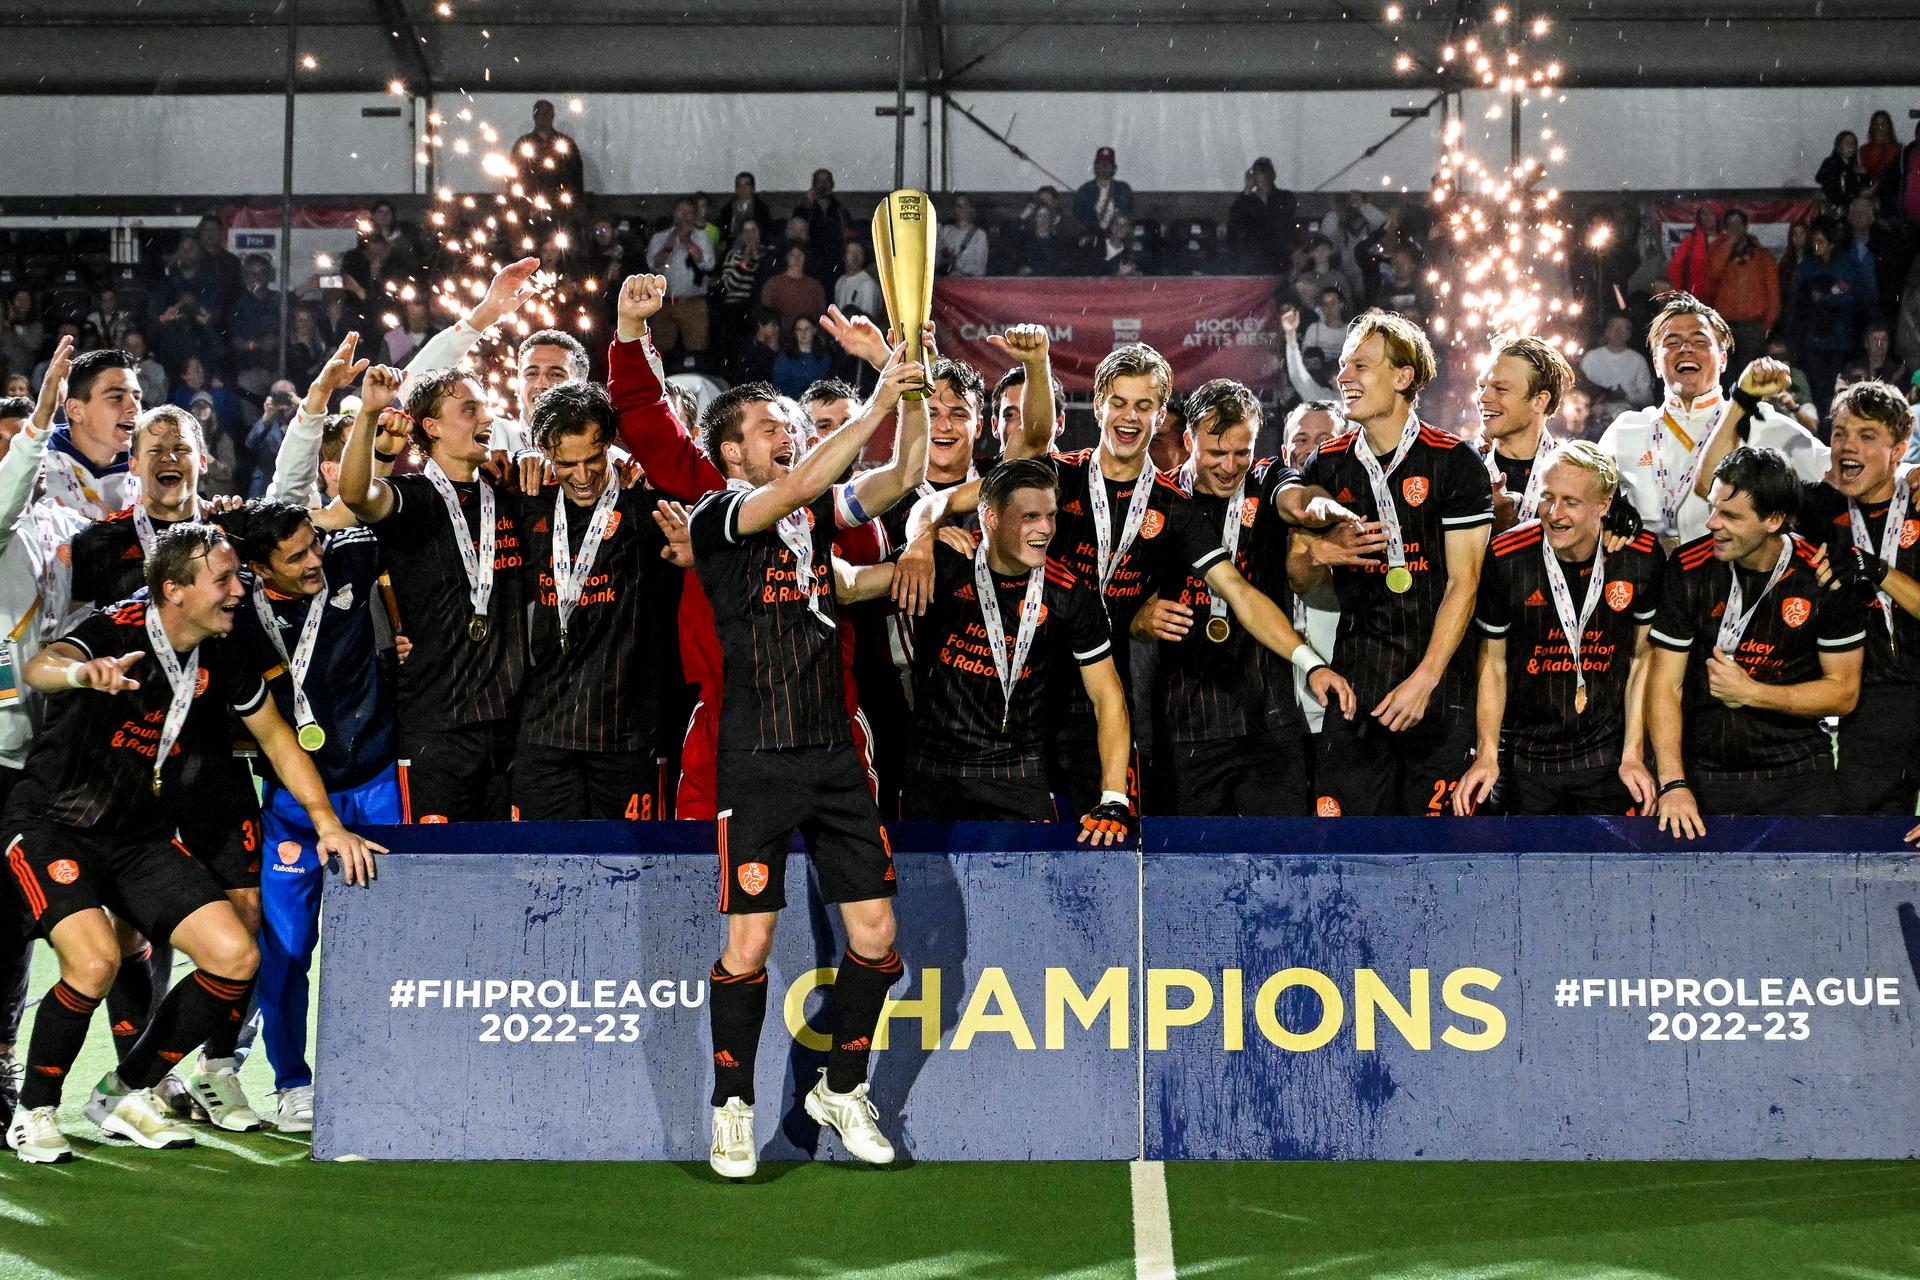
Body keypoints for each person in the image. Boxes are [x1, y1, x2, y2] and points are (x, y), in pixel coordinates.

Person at [3, 524, 382, 1164]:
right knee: (94, 961)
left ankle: (124, 1091)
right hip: (52, 824)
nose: (239, 590)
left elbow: (278, 739)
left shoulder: (223, 651)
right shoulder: (115, 628)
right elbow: (41, 665)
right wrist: (81, 673)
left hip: (138, 837)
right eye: (224, 579)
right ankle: (35, 1111)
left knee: (235, 955)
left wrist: (327, 823)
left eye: (239, 576)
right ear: (174, 590)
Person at [687, 335, 927, 1179]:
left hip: (833, 756)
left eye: (790, 424)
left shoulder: (813, 516)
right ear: (730, 452)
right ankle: (731, 1107)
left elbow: (901, 475)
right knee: (749, 944)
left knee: (878, 937)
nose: (785, 433)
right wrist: (878, 398)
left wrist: (911, 392)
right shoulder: (716, 516)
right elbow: (796, 484)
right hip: (756, 759)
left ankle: (841, 1086)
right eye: (767, 426)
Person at [218, 499, 396, 1134]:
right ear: (260, 568)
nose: (314, 561)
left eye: (313, 544)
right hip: (293, 801)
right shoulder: (236, 611)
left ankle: (390, 1071)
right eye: (295, 557)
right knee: (288, 949)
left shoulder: (349, 559)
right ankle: (292, 1083)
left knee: (391, 939)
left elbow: (367, 498)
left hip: (377, 787)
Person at [1293, 311, 1494, 817]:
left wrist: (1425, 680)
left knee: (1435, 851)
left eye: (1360, 365)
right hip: (1355, 689)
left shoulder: (1454, 461)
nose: (1343, 376)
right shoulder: (1326, 464)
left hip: (1439, 690)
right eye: (1344, 365)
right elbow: (1299, 579)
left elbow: (1464, 583)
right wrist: (1316, 554)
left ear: (1403, 377)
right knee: (1344, 848)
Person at [1133, 381, 1356, 815]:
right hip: (1186, 724)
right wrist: (1140, 618)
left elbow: (1297, 499)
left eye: (1242, 452)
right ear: (1188, 441)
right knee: (1191, 856)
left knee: (1281, 853)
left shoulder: (1266, 478)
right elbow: (1121, 600)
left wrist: (1319, 508)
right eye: (1217, 453)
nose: (1230, 466)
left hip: (1269, 721)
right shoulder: (1158, 499)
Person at [340, 366, 527, 823]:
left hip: (512, 727)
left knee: (513, 863)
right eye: (469, 410)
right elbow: (356, 494)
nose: (485, 417)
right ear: (432, 426)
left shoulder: (510, 495)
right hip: (437, 728)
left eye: (484, 407)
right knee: (438, 864)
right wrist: (368, 414)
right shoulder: (413, 498)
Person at [904, 456, 1134, 826]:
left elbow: (1108, 695)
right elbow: (853, 588)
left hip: (1015, 769)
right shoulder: (947, 563)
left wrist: (1113, 798)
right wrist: (917, 544)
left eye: (1051, 515)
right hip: (933, 769)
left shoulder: (1067, 592)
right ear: (991, 517)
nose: (1046, 528)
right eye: (1030, 517)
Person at [1648, 446, 1864, 835]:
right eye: (1713, 508)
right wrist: (1673, 783)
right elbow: (1665, 684)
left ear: (1774, 519)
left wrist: (1753, 693)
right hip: (1705, 774)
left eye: (1731, 516)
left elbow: (1843, 693)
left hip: (1798, 770)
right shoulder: (1688, 568)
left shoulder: (1821, 575)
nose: (1712, 523)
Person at [1454, 442, 1662, 816]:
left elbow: (1643, 658)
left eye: (1571, 502)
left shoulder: (1640, 556)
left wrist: (1633, 754)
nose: (1554, 513)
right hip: (1524, 757)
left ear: (1604, 504)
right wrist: (1487, 754)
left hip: (1606, 756)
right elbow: (1493, 663)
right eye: (1547, 497)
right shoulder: (1507, 556)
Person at [0, 343, 89, 1129]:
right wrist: (39, 420)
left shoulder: (58, 525)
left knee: (14, 922)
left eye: (22, 444)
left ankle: (2, 1063)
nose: (17, 460)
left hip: (39, 757)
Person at [515, 382, 671, 820]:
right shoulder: (530, 500)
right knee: (541, 860)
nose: (582, 476)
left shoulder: (643, 502)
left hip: (627, 734)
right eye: (566, 463)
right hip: (544, 729)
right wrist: (517, 458)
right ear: (545, 453)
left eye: (593, 459)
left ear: (611, 445)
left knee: (633, 862)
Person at [1774, 379, 1920, 816]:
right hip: (1869, 702)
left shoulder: (1917, 502)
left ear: (1900, 448)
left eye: (1866, 435)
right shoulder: (1819, 507)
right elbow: (1721, 487)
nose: (1847, 445)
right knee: (1868, 834)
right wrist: (1741, 402)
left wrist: (1874, 569)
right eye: (1840, 433)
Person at [1598, 293, 1827, 547]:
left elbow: (1835, 474)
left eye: (1700, 341)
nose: (1686, 348)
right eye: (1672, 342)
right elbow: (1580, 491)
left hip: (1726, 567)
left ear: (1723, 360)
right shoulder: (1626, 429)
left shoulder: (1761, 423)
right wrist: (1611, 508)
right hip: (1645, 567)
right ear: (1656, 365)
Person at [69, 406, 215, 610]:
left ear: (202, 463)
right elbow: (75, 617)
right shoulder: (98, 541)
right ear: (133, 465)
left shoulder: (228, 532)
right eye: (156, 450)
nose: (169, 458)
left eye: (181, 449)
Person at [1474, 334, 1578, 532]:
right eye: (1481, 387)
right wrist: (1482, 523)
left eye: (1501, 389)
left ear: (1539, 401)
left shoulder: (1576, 473)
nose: (1483, 397)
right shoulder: (1458, 468)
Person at [42, 347, 140, 520]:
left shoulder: (148, 469)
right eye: (116, 397)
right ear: (75, 410)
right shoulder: (35, 463)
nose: (134, 408)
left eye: (137, 397)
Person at [646, 198, 718, 363]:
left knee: (697, 351)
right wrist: (667, 247)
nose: (684, 216)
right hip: (664, 303)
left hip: (693, 302)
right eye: (680, 211)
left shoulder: (702, 237)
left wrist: (689, 243)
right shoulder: (660, 237)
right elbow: (653, 265)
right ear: (674, 213)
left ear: (694, 216)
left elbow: (709, 264)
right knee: (660, 353)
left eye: (689, 212)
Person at [1705, 209, 1779, 365]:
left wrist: (1768, 324)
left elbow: (1773, 292)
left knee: (1750, 373)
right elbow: (1712, 274)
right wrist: (1729, 244)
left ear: (1745, 227)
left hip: (1753, 326)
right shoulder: (1720, 252)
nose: (1735, 227)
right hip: (1725, 324)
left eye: (1738, 222)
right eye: (1730, 223)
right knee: (1726, 372)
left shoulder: (1763, 256)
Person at [510, 99, 586, 211]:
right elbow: (514, 173)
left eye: (547, 114)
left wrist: (575, 203)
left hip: (560, 203)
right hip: (529, 203)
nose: (543, 118)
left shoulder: (565, 143)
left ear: (552, 116)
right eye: (540, 114)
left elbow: (576, 175)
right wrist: (516, 202)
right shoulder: (524, 143)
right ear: (534, 116)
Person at [1579, 314, 1655, 424]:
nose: (1618, 332)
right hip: (1595, 419)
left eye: (1623, 329)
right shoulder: (1591, 358)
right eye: (1614, 327)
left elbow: (1647, 398)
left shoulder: (1638, 360)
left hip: (1629, 419)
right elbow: (1580, 391)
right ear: (1607, 331)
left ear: (1629, 334)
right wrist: (1601, 397)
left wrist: (1626, 395)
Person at [1226, 156, 1297, 273]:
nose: (1262, 176)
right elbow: (1235, 220)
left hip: (1278, 254)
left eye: (1265, 172)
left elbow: (1282, 220)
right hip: (1254, 255)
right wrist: (1247, 190)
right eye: (1258, 173)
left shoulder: (1284, 197)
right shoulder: (1246, 199)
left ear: (1272, 175)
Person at [1072, 147, 1135, 240]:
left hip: (1118, 238)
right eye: (1101, 163)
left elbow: (1131, 214)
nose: (1104, 166)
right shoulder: (1085, 190)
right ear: (1095, 166)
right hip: (1093, 237)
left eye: (1108, 164)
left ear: (1114, 168)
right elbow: (1077, 216)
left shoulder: (1124, 189)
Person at [771, 316, 832, 401]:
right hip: (791, 404)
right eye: (799, 329)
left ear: (814, 330)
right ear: (795, 333)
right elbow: (778, 387)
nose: (803, 333)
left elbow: (827, 384)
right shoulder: (784, 358)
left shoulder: (824, 357)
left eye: (807, 329)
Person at [936, 195, 989, 278]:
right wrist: (944, 261)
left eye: (965, 205)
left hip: (968, 283)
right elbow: (934, 259)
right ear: (954, 209)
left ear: (971, 209)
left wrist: (956, 263)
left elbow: (980, 269)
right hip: (946, 282)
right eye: (958, 206)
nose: (961, 209)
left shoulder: (979, 235)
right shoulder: (944, 231)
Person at [1816, 131, 1868, 211]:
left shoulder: (1853, 166)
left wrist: (1864, 175)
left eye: (1853, 143)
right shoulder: (1831, 163)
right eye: (1846, 142)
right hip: (1835, 208)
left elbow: (1864, 186)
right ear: (1838, 147)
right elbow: (1834, 190)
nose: (1851, 146)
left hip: (1850, 207)